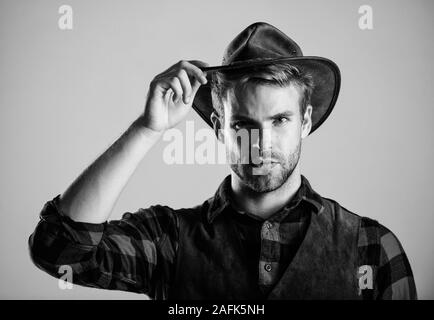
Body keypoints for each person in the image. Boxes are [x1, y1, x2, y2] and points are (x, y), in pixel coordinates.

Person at [28, 22, 417, 299]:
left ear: (306, 123)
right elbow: (58, 251)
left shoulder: (371, 247)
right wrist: (147, 129)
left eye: (280, 120)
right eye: (244, 123)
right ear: (218, 126)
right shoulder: (170, 241)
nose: (260, 143)